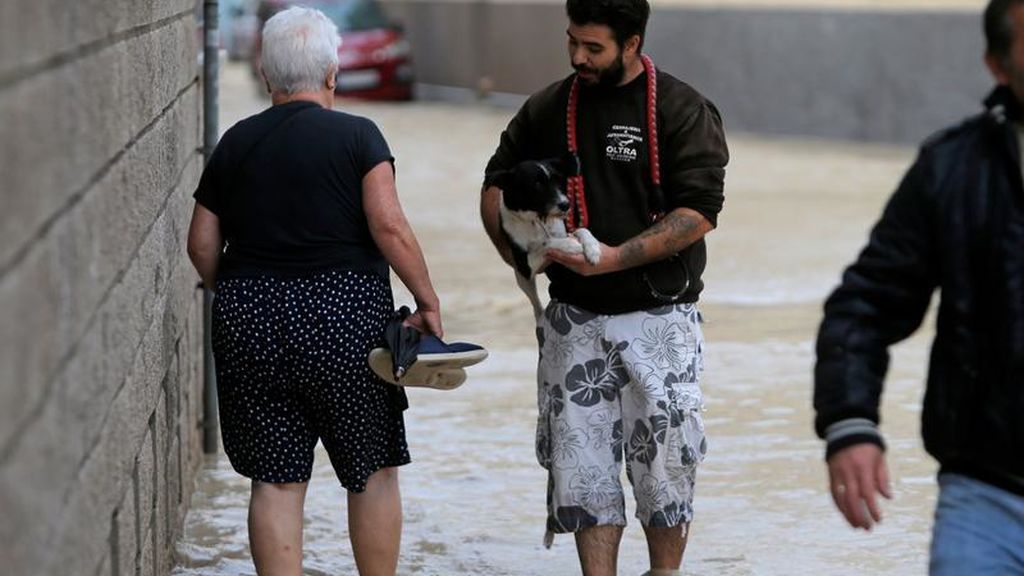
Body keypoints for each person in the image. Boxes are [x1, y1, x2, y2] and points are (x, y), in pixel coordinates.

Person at [186, 7, 442, 575]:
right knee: (372, 469)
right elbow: (390, 225)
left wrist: (230, 293)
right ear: (332, 74)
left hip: (250, 315)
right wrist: (427, 303)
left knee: (275, 479)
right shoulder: (359, 136)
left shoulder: (235, 143)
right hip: (345, 319)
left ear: (266, 74)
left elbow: (201, 242)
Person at [480, 1, 728, 573]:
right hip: (573, 319)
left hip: (661, 318)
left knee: (666, 468)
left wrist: (614, 258)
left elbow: (700, 212)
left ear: (633, 43)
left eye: (593, 48)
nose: (577, 57)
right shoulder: (547, 107)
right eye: (572, 42)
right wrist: (523, 256)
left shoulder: (682, 108)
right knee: (581, 474)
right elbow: (495, 184)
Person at [814, 1, 1024, 573]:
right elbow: (866, 303)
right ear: (998, 65)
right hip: (989, 496)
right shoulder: (951, 168)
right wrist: (850, 422)